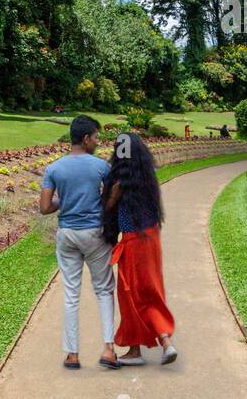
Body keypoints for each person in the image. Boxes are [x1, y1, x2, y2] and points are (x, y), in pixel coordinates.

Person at [38, 115, 121, 371]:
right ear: (86, 139)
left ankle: (72, 354)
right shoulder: (101, 167)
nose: (98, 142)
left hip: (67, 235)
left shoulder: (53, 169)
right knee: (104, 290)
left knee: (71, 294)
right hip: (94, 234)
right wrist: (102, 203)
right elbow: (113, 192)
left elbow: (44, 207)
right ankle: (108, 349)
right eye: (96, 137)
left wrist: (67, 200)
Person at [104, 132, 178, 366]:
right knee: (151, 290)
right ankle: (162, 342)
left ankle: (146, 348)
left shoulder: (117, 182)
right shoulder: (148, 176)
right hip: (152, 238)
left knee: (131, 295)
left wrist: (112, 198)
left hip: (133, 242)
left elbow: (108, 209)